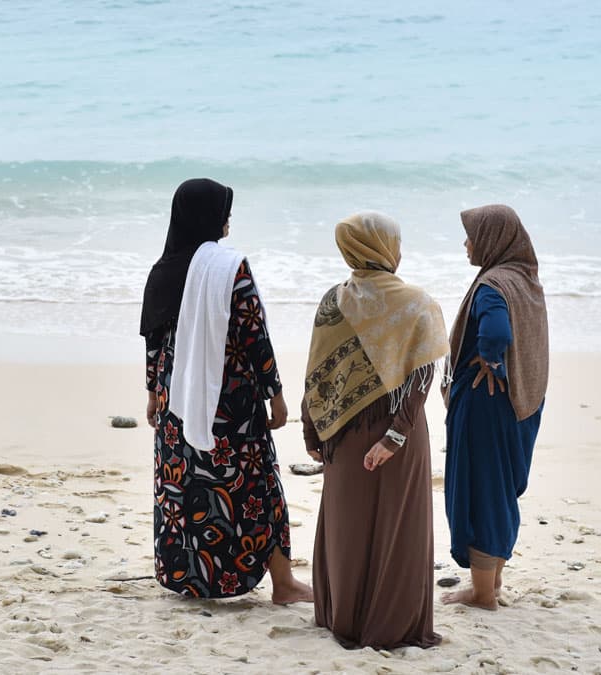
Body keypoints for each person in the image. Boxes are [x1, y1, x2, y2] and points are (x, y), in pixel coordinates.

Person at [141, 178, 312, 604]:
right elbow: (253, 333)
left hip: (172, 394)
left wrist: (151, 393)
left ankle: (192, 580)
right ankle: (284, 584)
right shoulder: (229, 267)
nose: (228, 218)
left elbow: (153, 338)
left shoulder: (162, 269)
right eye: (224, 210)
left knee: (185, 487)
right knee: (255, 485)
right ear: (211, 217)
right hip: (228, 396)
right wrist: (275, 392)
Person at [300, 211, 448, 649]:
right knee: (399, 527)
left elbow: (317, 376)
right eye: (395, 243)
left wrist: (313, 433)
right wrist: (396, 436)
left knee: (346, 526)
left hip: (344, 433)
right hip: (398, 433)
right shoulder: (418, 303)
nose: (399, 251)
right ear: (383, 248)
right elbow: (421, 378)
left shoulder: (334, 300)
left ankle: (341, 618)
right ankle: (394, 626)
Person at [441, 204, 549, 611]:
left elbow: (497, 331)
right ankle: (494, 581)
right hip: (521, 401)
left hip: (487, 404)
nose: (466, 243)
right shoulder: (524, 278)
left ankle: (483, 594)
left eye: (471, 235)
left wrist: (490, 359)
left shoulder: (492, 285)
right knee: (500, 490)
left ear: (490, 240)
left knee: (480, 492)